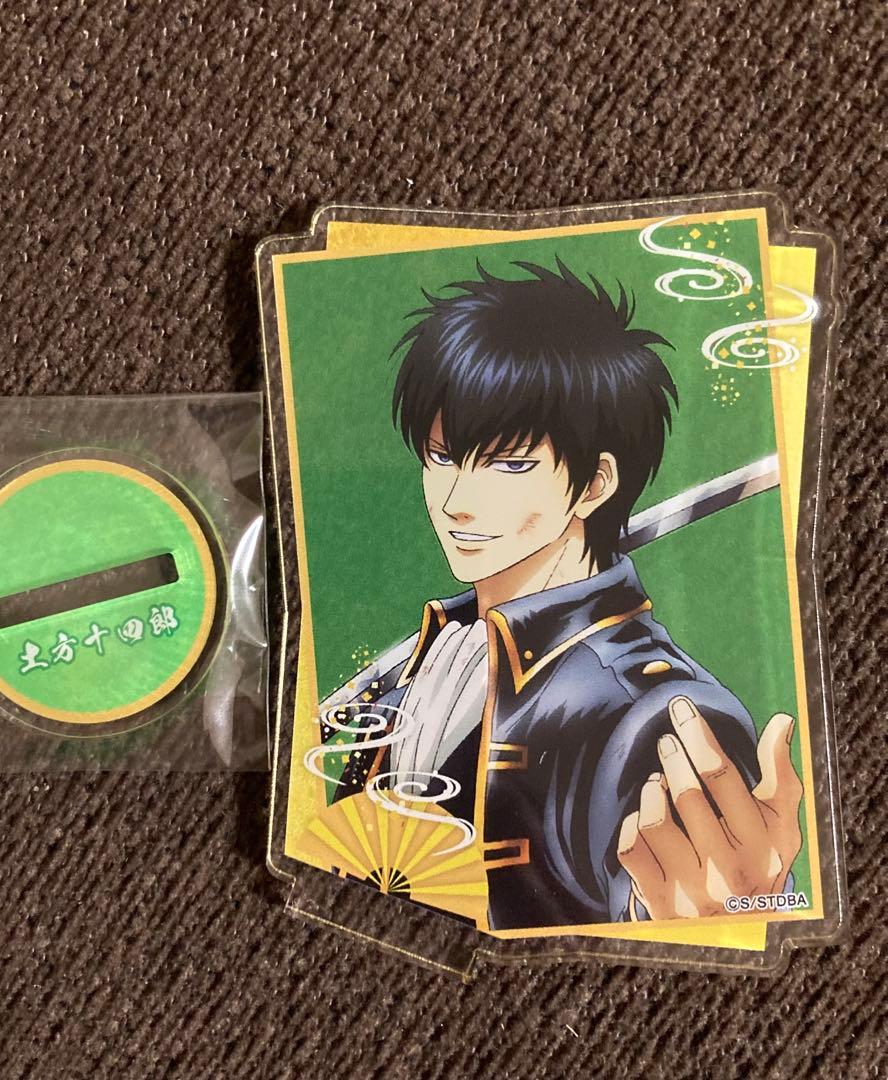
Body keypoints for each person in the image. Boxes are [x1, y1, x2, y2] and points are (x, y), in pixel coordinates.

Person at [318, 261, 803, 931]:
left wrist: (722, 912)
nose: (456, 502)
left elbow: (688, 907)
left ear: (595, 483)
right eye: (442, 456)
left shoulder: (650, 712)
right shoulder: (431, 657)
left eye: (509, 463)